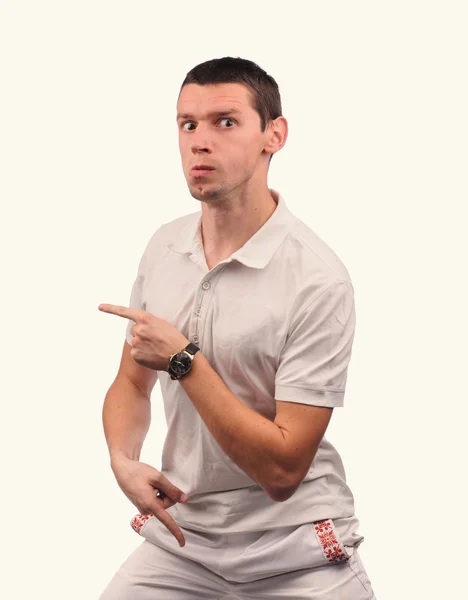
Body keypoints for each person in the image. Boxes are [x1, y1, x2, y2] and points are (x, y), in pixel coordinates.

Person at [98, 56, 377, 599]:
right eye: (188, 124)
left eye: (225, 122)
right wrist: (122, 460)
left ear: (275, 135)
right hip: (185, 539)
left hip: (295, 548)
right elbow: (132, 383)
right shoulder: (165, 246)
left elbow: (282, 470)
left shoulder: (317, 279)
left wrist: (184, 361)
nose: (200, 141)